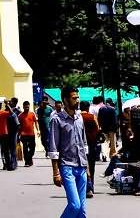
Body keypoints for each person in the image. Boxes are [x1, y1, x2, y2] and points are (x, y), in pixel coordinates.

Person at [44, 87, 92, 218]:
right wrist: (56, 173)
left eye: (78, 97)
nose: (77, 100)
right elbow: (53, 148)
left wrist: (87, 168)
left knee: (82, 209)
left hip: (81, 167)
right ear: (65, 100)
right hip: (67, 167)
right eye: (74, 98)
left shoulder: (79, 118)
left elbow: (84, 144)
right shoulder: (57, 120)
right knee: (74, 205)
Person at [94, 96, 119, 161]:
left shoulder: (101, 109)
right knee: (112, 143)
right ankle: (112, 155)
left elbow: (99, 119)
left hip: (104, 128)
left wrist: (100, 127)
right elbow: (115, 120)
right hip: (111, 129)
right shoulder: (112, 109)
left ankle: (104, 155)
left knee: (104, 142)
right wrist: (116, 128)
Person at [19, 101, 39, 167]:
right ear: (23, 107)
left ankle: (29, 158)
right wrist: (18, 134)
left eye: (28, 107)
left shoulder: (32, 114)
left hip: (31, 134)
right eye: (25, 107)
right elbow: (19, 126)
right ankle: (27, 162)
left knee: (32, 148)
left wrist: (38, 130)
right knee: (25, 148)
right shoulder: (20, 116)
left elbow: (36, 122)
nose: (27, 108)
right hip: (23, 134)